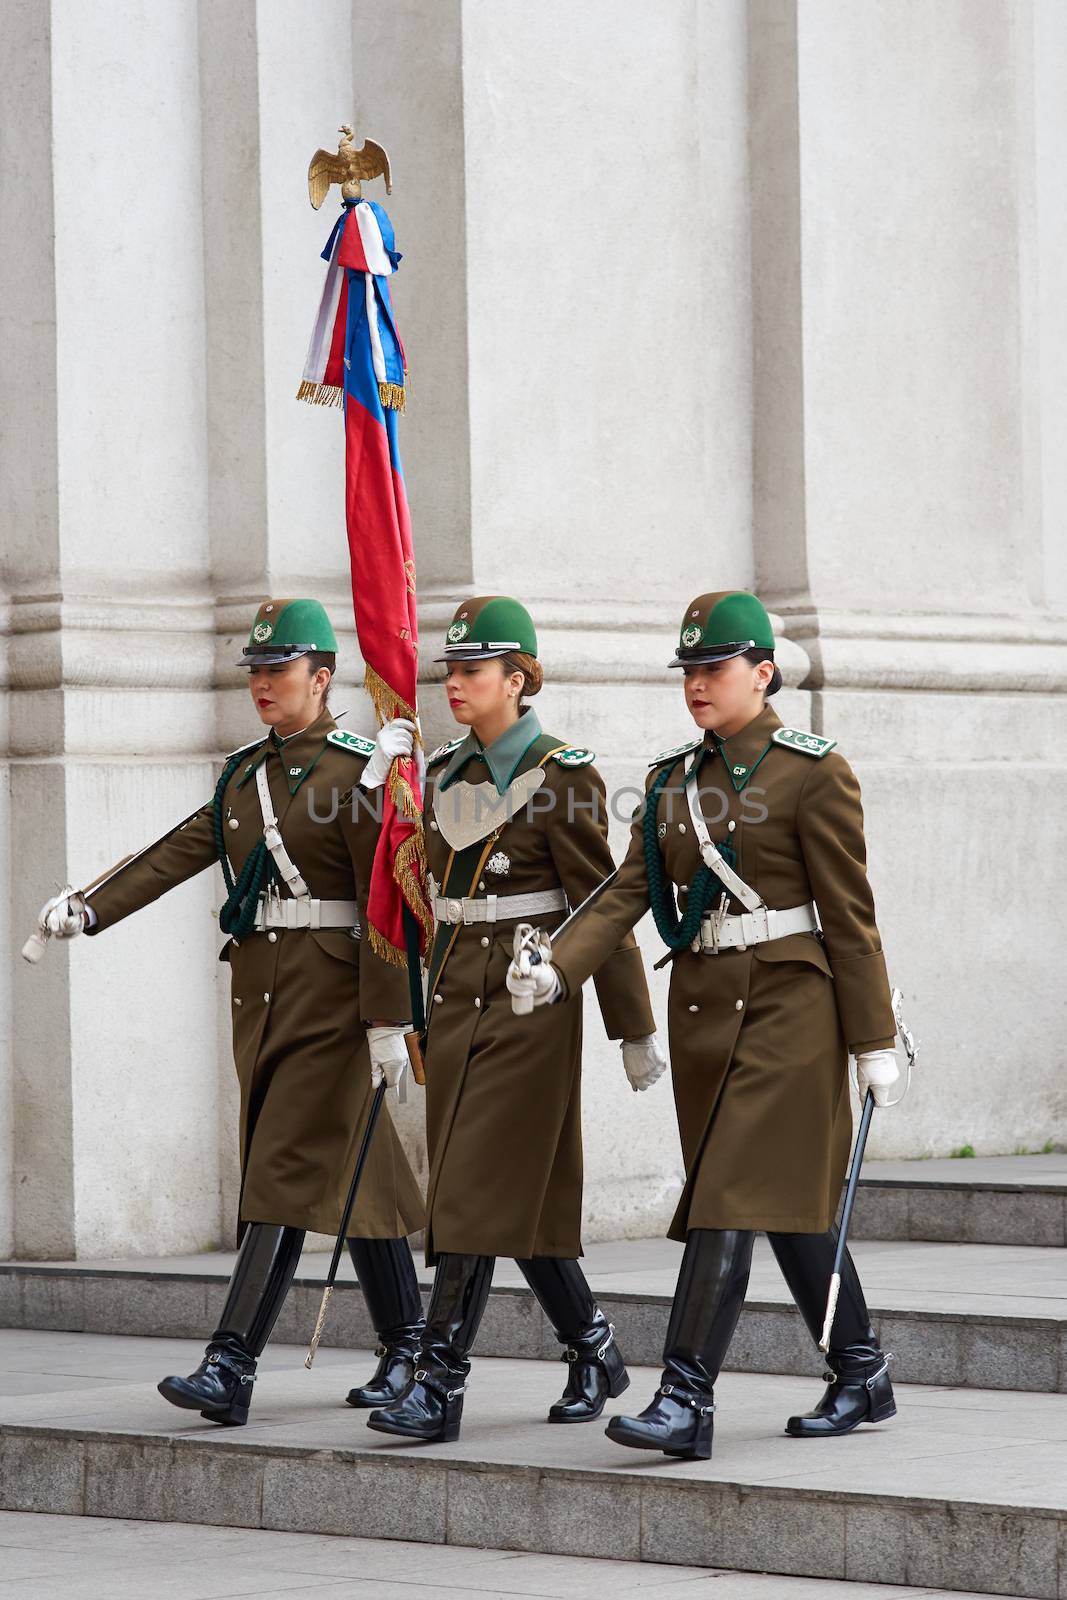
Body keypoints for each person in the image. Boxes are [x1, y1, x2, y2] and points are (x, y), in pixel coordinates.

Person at [507, 590, 902, 1461]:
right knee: (786, 1207)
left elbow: (849, 913)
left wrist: (872, 1037)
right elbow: (625, 893)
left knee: (725, 1195)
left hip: (793, 1011)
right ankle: (862, 1369)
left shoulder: (812, 772)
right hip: (704, 1018)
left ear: (761, 673)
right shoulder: (670, 779)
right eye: (688, 669)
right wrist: (557, 967)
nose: (697, 683)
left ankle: (685, 1395)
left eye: (713, 667)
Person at [33, 598, 426, 1426]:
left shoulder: (355, 771)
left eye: (278, 670)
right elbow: (182, 847)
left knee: (279, 1172)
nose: (263, 685)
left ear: (321, 679)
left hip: (332, 1002)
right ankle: (411, 1346)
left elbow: (387, 902)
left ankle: (231, 1362)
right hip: (265, 1001)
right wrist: (92, 907)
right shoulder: (246, 773)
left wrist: (390, 1018)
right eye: (255, 671)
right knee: (359, 1177)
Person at [363, 596, 667, 1444]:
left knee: (469, 1182)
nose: (454, 684)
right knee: (508, 1198)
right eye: (450, 671)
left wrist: (630, 1027)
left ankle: (438, 1379)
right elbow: (417, 894)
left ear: (519, 678)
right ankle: (594, 1347)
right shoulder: (448, 771)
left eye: (472, 671)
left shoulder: (564, 773)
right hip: (455, 992)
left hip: (529, 996)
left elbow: (601, 906)